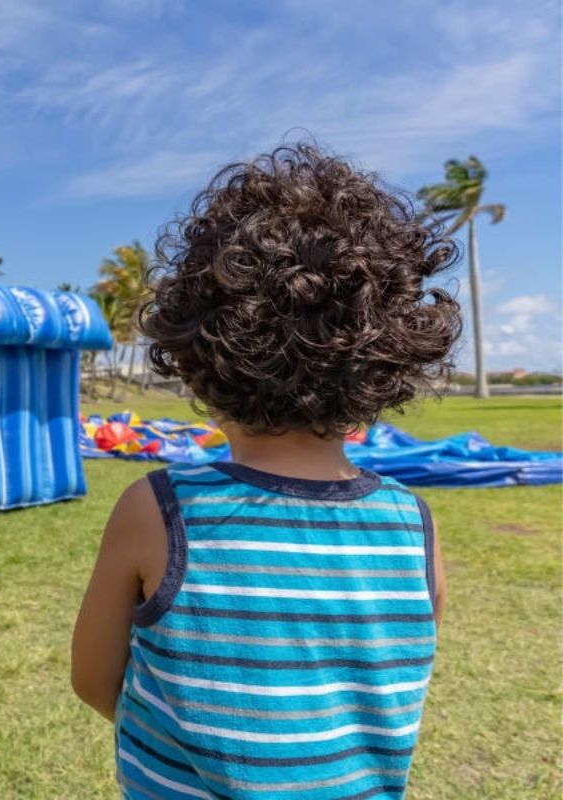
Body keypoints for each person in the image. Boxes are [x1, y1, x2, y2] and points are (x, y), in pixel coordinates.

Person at [71, 143, 460, 799]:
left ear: (198, 353)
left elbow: (92, 677)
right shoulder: (411, 523)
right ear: (387, 359)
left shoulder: (161, 509)